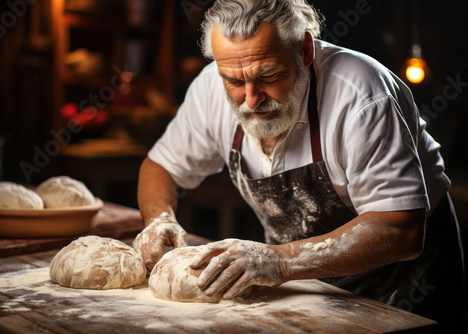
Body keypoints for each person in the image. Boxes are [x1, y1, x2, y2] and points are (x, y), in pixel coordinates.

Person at [134, 0, 465, 330]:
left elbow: (400, 229)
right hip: (307, 282)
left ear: (305, 50)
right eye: (234, 82)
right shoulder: (210, 88)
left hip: (406, 285)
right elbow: (161, 166)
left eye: (269, 75)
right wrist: (158, 218)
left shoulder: (362, 94)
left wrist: (278, 261)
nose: (251, 99)